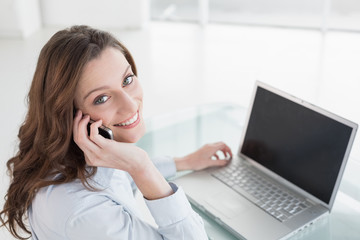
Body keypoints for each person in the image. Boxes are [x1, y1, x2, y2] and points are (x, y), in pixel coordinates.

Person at [0, 25, 232, 240]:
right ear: (68, 115)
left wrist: (184, 162)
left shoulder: (78, 153)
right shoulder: (87, 215)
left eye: (127, 80)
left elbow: (116, 179)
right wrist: (141, 166)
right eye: (101, 98)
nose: (131, 105)